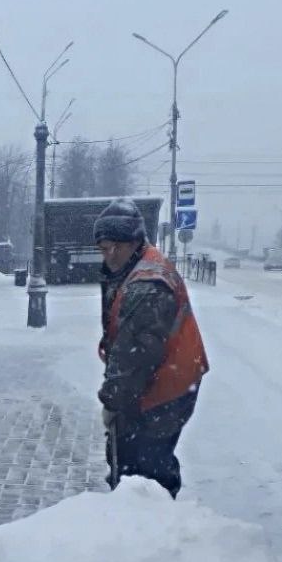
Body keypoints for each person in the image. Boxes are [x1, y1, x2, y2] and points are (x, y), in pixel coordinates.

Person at [94, 198, 209, 498]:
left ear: (127, 243)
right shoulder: (137, 268)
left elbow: (136, 356)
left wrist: (112, 401)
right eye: (102, 248)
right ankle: (149, 520)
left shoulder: (147, 284)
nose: (106, 256)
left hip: (165, 389)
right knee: (141, 460)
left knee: (143, 469)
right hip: (166, 380)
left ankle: (151, 530)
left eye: (109, 247)